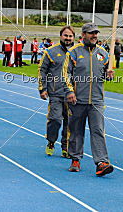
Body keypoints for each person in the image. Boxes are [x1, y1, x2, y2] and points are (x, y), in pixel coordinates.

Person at [62, 23, 114, 177]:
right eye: (91, 33)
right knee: (76, 131)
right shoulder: (73, 52)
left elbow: (104, 75)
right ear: (83, 34)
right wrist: (70, 91)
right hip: (77, 99)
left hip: (97, 100)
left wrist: (109, 75)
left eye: (96, 33)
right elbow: (65, 74)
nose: (94, 36)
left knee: (98, 130)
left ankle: (101, 162)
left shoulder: (103, 54)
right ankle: (75, 159)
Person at [38, 26, 75, 158]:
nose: (68, 38)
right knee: (55, 119)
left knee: (70, 123)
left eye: (70, 36)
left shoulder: (78, 52)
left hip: (73, 95)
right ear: (61, 36)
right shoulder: (50, 52)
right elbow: (42, 70)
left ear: (74, 38)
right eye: (66, 35)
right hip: (56, 93)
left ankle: (66, 147)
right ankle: (51, 141)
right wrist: (42, 88)